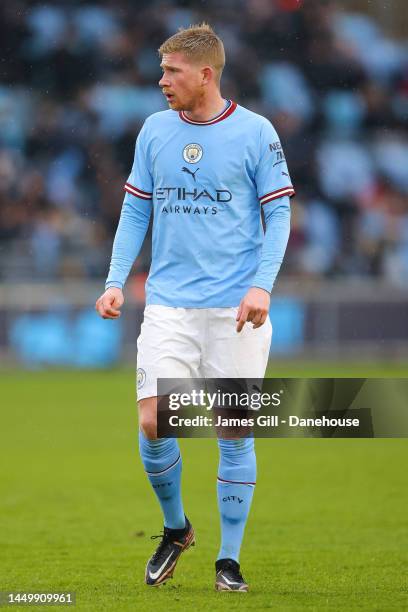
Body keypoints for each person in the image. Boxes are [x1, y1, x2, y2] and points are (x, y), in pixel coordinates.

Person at [95, 23, 294, 592]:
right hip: (169, 306)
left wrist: (262, 286)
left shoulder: (256, 133)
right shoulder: (155, 131)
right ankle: (176, 527)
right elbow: (136, 211)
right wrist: (114, 281)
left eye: (172, 72)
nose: (162, 82)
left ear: (206, 74)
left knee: (233, 429)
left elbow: (278, 214)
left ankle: (227, 559)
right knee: (154, 418)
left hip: (236, 308)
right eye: (162, 72)